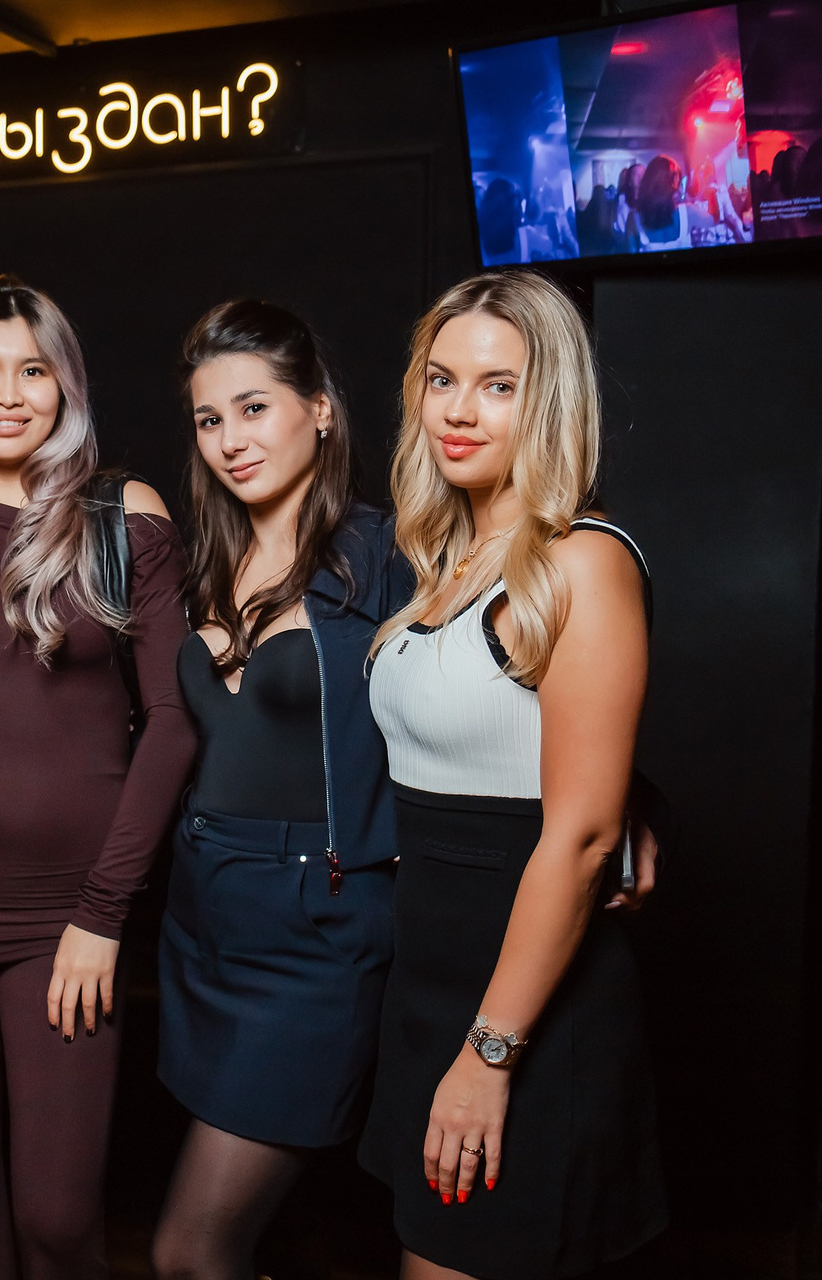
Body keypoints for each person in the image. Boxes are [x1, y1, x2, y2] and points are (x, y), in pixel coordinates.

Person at [0, 278, 196, 1279]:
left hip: (71, 908)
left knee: (57, 1213)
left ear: (67, 386)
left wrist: (103, 912)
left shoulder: (121, 514)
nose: (9, 394)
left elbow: (175, 722)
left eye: (34, 370)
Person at [358, 270, 667, 1278]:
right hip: (427, 988)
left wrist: (489, 1054)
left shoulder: (584, 559)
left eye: (498, 385)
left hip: (523, 1012)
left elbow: (579, 835)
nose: (459, 409)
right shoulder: (446, 556)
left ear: (551, 400)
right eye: (441, 378)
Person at [149, 300, 405, 1280]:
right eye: (210, 419)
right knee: (254, 1241)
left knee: (190, 1250)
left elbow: (508, 686)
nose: (230, 440)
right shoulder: (202, 563)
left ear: (320, 409)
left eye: (254, 407)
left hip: (318, 934)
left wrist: (629, 803)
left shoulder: (389, 556)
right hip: (204, 924)